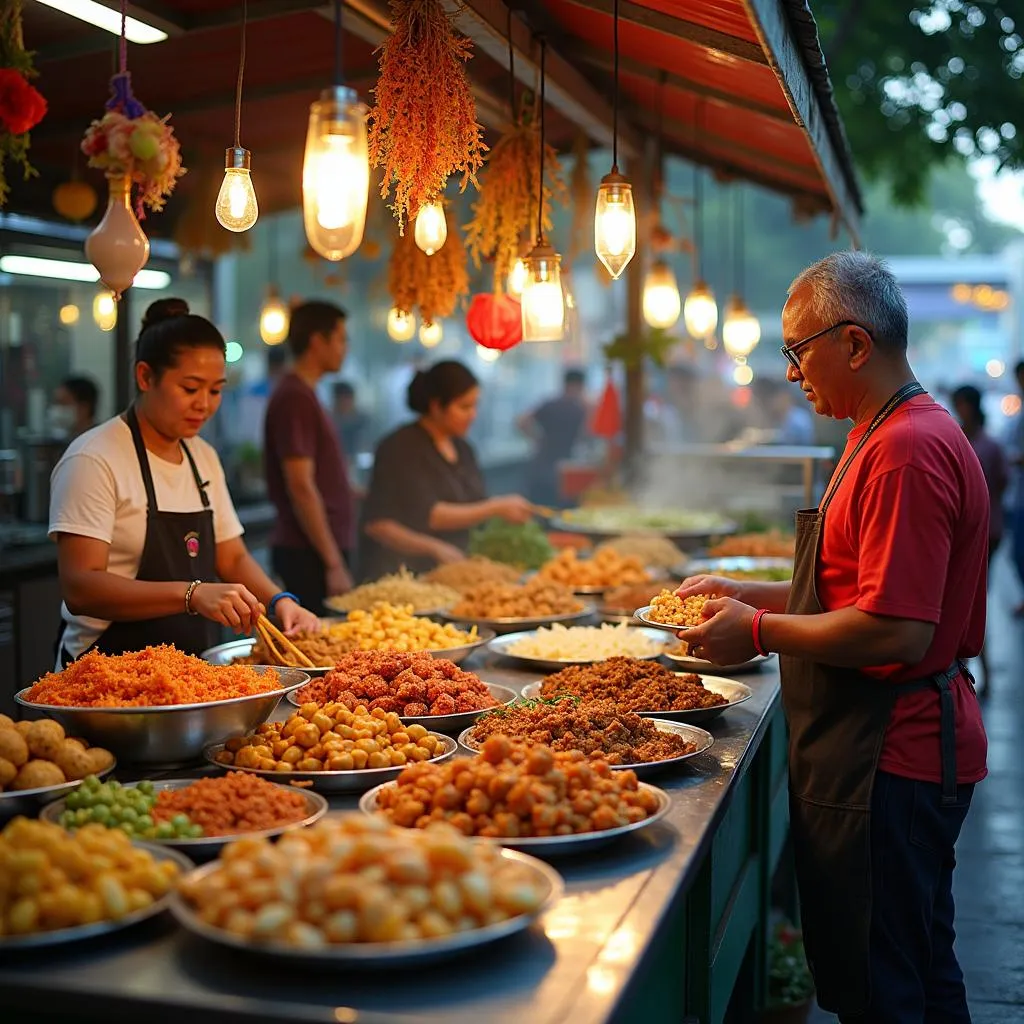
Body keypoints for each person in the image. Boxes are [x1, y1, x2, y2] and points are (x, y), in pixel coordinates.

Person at [678, 252, 988, 1024]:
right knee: (905, 962)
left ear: (853, 345)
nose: (789, 374)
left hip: (892, 755)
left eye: (796, 351)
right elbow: (858, 590)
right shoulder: (871, 433)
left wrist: (755, 629)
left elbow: (898, 629)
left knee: (890, 985)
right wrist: (746, 592)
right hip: (872, 751)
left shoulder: (905, 451)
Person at [49, 299, 319, 667]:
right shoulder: (94, 458)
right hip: (102, 672)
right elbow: (81, 586)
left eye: (215, 390)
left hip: (186, 672)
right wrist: (193, 595)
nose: (204, 405)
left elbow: (233, 555)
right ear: (145, 377)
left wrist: (279, 601)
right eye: (190, 388)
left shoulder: (201, 456)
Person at [359, 360, 533, 579]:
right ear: (436, 406)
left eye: (475, 406)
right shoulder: (400, 447)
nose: (473, 415)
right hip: (403, 575)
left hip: (457, 572)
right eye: (464, 407)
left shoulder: (463, 448)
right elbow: (427, 516)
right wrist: (495, 507)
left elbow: (475, 505)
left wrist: (501, 510)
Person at [263, 300, 355, 613]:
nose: (346, 347)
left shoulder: (307, 393)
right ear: (318, 341)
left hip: (316, 549)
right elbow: (301, 485)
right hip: (307, 553)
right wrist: (333, 562)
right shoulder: (294, 397)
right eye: (342, 338)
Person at [952, 384, 1007, 695]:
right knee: (972, 595)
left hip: (987, 532)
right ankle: (970, 666)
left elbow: (1000, 484)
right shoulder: (962, 438)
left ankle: (974, 667)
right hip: (976, 530)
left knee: (974, 596)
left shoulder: (988, 445)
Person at [516, 369, 588, 507]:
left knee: (539, 511)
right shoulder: (579, 409)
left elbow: (522, 421)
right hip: (563, 471)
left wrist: (537, 438)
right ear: (579, 386)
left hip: (541, 465)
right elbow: (589, 433)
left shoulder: (550, 404)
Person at [331, 381, 368, 465]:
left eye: (348, 399)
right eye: (342, 400)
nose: (346, 404)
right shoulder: (329, 422)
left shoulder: (362, 421)